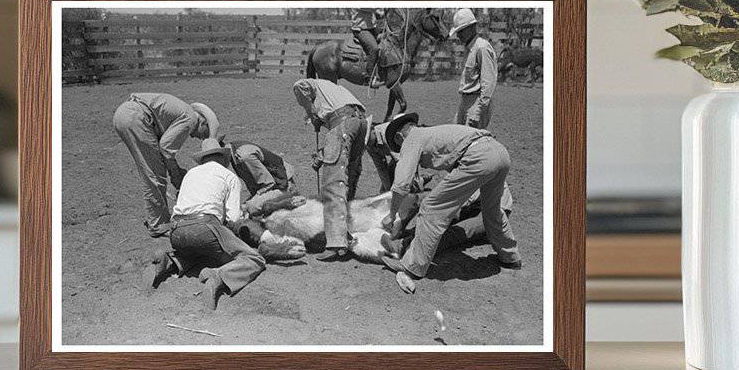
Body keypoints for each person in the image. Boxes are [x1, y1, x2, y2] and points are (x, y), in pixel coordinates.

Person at [377, 113, 521, 294]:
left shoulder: (412, 139)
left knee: (431, 208)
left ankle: (411, 267)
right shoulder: (435, 133)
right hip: (499, 152)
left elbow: (400, 185)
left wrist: (392, 215)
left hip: (479, 158)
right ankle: (510, 257)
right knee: (492, 210)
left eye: (398, 146)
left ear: (399, 137)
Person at [143, 139, 267, 311]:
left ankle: (170, 261)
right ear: (224, 158)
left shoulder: (191, 174)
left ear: (203, 159)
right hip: (205, 226)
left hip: (177, 230)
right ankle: (218, 277)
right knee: (254, 259)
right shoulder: (229, 176)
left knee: (202, 250)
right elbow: (233, 218)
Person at [112, 92, 218, 237]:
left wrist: (174, 169)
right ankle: (159, 225)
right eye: (204, 134)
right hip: (137, 117)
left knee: (152, 170)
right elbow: (166, 147)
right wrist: (175, 173)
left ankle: (158, 220)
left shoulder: (184, 111)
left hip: (127, 115)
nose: (198, 138)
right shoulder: (190, 119)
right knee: (154, 174)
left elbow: (164, 149)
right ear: (203, 123)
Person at [291, 77, 367, 260]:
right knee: (348, 176)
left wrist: (312, 114)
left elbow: (299, 86)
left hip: (342, 123)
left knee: (333, 183)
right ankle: (347, 231)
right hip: (361, 122)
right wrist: (323, 155)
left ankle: (335, 243)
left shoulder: (310, 87)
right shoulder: (332, 91)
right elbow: (341, 137)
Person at [449, 8, 497, 129]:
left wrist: (478, 111)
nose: (458, 35)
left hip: (477, 102)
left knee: (470, 141)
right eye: (458, 32)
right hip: (465, 100)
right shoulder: (469, 48)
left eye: (461, 31)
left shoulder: (482, 48)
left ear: (472, 27)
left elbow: (488, 82)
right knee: (454, 134)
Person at [223, 138, 292, 197]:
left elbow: (269, 184)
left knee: (250, 207)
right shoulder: (234, 154)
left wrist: (254, 199)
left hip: (281, 181)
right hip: (275, 183)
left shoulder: (244, 156)